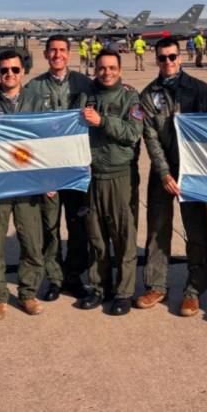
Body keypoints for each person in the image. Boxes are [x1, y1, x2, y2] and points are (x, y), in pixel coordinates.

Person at [136, 38, 207, 316]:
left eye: (172, 56)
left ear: (180, 57)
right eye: (163, 57)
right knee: (157, 229)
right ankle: (156, 285)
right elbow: (151, 137)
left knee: (196, 230)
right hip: (162, 169)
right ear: (157, 60)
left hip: (193, 171)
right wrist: (164, 172)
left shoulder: (199, 90)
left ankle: (194, 291)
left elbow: (206, 131)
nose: (168, 62)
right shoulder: (148, 94)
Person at [0, 51, 46, 318]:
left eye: (14, 70)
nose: (9, 75)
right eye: (4, 70)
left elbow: (47, 141)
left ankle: (28, 293)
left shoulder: (37, 102)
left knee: (31, 241)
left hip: (28, 185)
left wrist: (49, 178)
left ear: (23, 72)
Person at [23, 35, 93, 301]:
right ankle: (54, 278)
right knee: (49, 227)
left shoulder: (85, 85)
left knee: (77, 226)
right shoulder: (33, 88)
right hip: (48, 172)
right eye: (53, 50)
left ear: (69, 53)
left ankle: (73, 277)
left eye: (62, 50)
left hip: (77, 169)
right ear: (46, 54)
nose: (57, 55)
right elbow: (27, 131)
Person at [77, 49, 143, 316]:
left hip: (120, 175)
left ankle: (124, 292)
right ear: (95, 69)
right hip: (93, 175)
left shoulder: (130, 97)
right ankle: (98, 287)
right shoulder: (87, 95)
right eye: (102, 68)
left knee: (124, 236)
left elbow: (132, 133)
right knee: (97, 237)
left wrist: (102, 121)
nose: (106, 72)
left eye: (112, 68)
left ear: (120, 69)